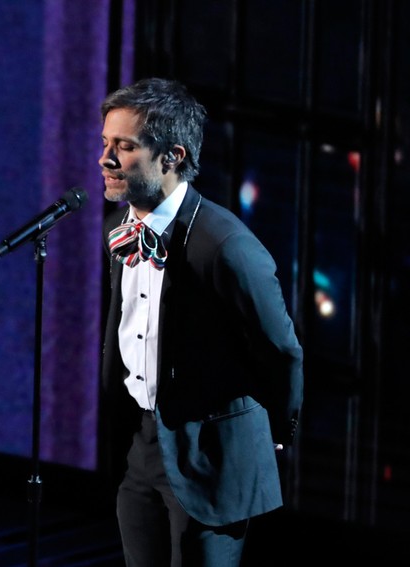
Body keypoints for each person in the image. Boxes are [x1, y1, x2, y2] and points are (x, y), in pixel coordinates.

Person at [97, 77, 303, 566]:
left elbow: (280, 349)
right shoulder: (121, 229)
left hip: (212, 455)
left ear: (172, 157)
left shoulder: (225, 245)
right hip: (143, 447)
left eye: (125, 147)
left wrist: (273, 433)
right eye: (105, 143)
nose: (106, 158)